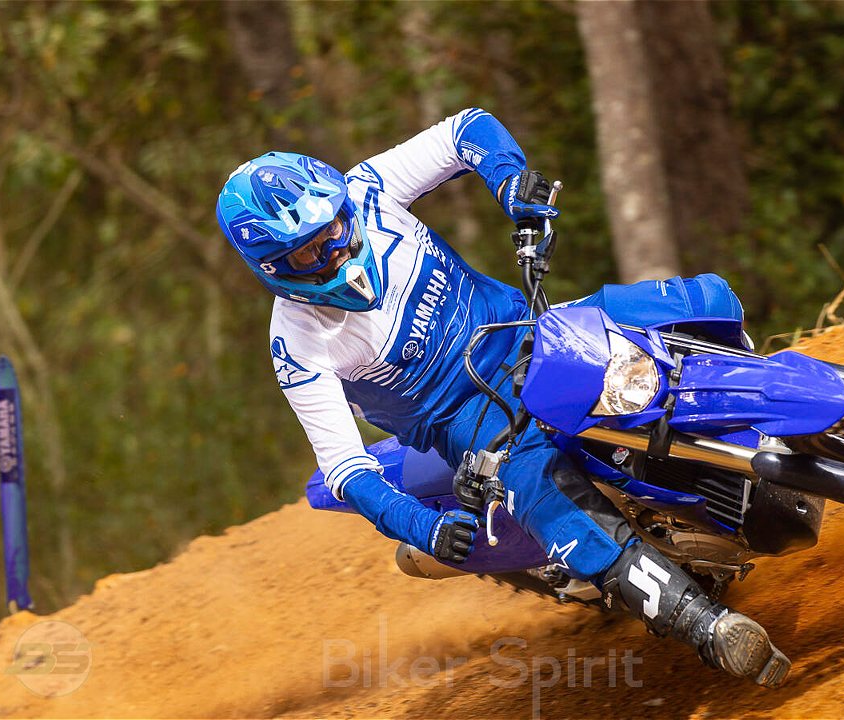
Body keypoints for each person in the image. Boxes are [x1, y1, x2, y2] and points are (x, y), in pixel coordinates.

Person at [215, 108, 789, 688]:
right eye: (309, 252)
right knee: (545, 491)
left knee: (701, 298)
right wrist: (423, 528)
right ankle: (710, 629)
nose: (335, 250)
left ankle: (765, 413)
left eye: (335, 228)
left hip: (532, 330)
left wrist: (509, 182)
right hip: (469, 416)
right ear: (275, 269)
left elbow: (465, 129)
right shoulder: (296, 344)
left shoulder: (369, 190)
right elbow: (344, 468)